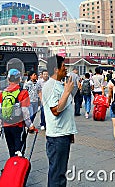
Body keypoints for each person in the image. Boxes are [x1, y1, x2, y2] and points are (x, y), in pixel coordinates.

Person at [43, 55, 77, 187]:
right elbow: (56, 110)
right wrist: (67, 92)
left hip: (63, 134)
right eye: (63, 66)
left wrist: (70, 132)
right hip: (57, 137)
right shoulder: (50, 86)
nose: (66, 69)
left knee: (59, 172)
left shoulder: (58, 84)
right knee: (57, 174)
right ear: (55, 69)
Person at [0, 69, 36, 157]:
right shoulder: (23, 92)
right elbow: (25, 111)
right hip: (18, 126)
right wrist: (30, 125)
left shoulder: (3, 93)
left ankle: (12, 167)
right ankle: (18, 168)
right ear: (19, 79)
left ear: (8, 79)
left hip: (6, 125)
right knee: (19, 150)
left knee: (11, 149)